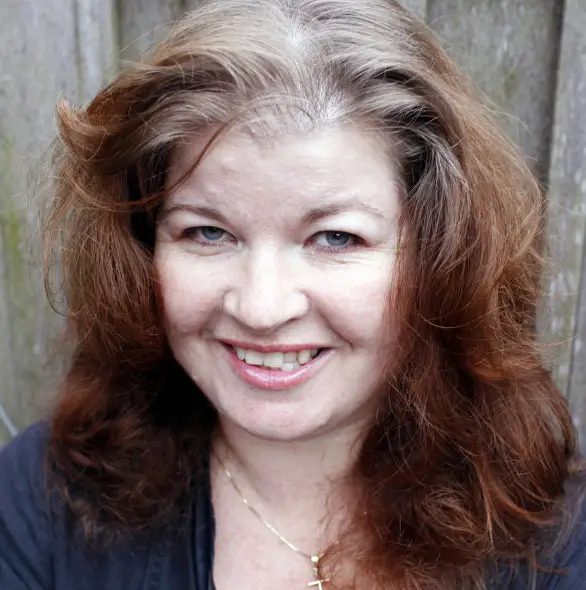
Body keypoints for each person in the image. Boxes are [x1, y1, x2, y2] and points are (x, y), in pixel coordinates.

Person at [1, 0, 585, 588]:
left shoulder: (554, 540)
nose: (262, 309)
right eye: (208, 232)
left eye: (336, 237)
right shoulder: (43, 503)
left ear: (441, 255)